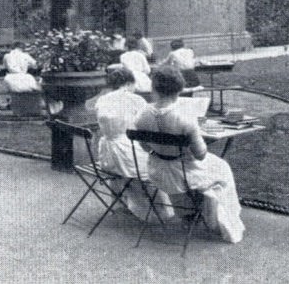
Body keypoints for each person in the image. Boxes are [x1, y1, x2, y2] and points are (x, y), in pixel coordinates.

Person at [133, 66, 245, 243]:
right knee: (222, 167)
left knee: (187, 168)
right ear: (179, 89)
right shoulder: (185, 117)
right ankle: (218, 219)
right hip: (182, 175)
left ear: (154, 88)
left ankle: (189, 213)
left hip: (157, 172)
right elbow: (200, 155)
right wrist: (194, 139)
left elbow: (146, 148)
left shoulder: (141, 114)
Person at [86, 67, 172, 219]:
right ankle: (163, 212)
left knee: (138, 159)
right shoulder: (136, 100)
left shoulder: (102, 99)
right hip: (128, 155)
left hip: (107, 157)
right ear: (129, 83)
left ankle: (121, 203)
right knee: (162, 162)